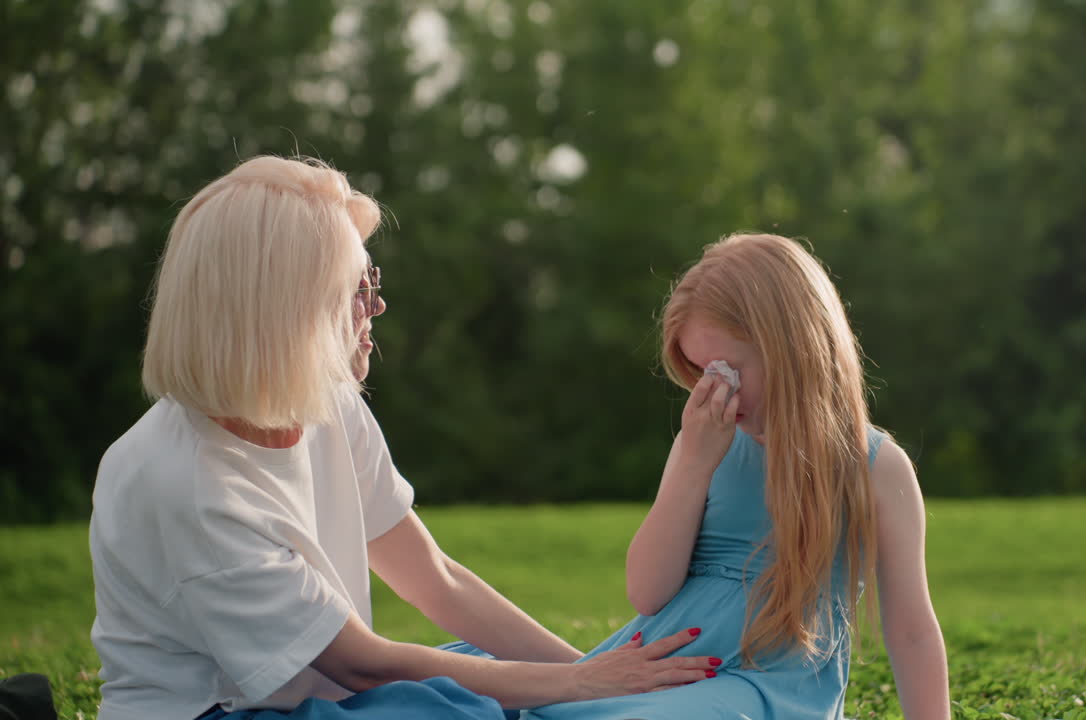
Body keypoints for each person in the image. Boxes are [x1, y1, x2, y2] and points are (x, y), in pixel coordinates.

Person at [88, 156, 719, 720]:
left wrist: (594, 679)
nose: (377, 308)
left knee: (492, 676)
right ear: (287, 313)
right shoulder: (188, 485)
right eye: (356, 292)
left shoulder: (326, 402)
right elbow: (364, 664)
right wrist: (581, 683)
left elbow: (435, 579)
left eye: (373, 281)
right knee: (456, 706)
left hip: (325, 695)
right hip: (222, 712)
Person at [516, 233, 952, 719]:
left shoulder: (874, 466)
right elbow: (647, 591)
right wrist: (694, 463)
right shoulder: (702, 445)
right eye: (700, 370)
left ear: (793, 347)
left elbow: (911, 628)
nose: (713, 389)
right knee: (464, 682)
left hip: (765, 686)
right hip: (661, 666)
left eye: (728, 368)